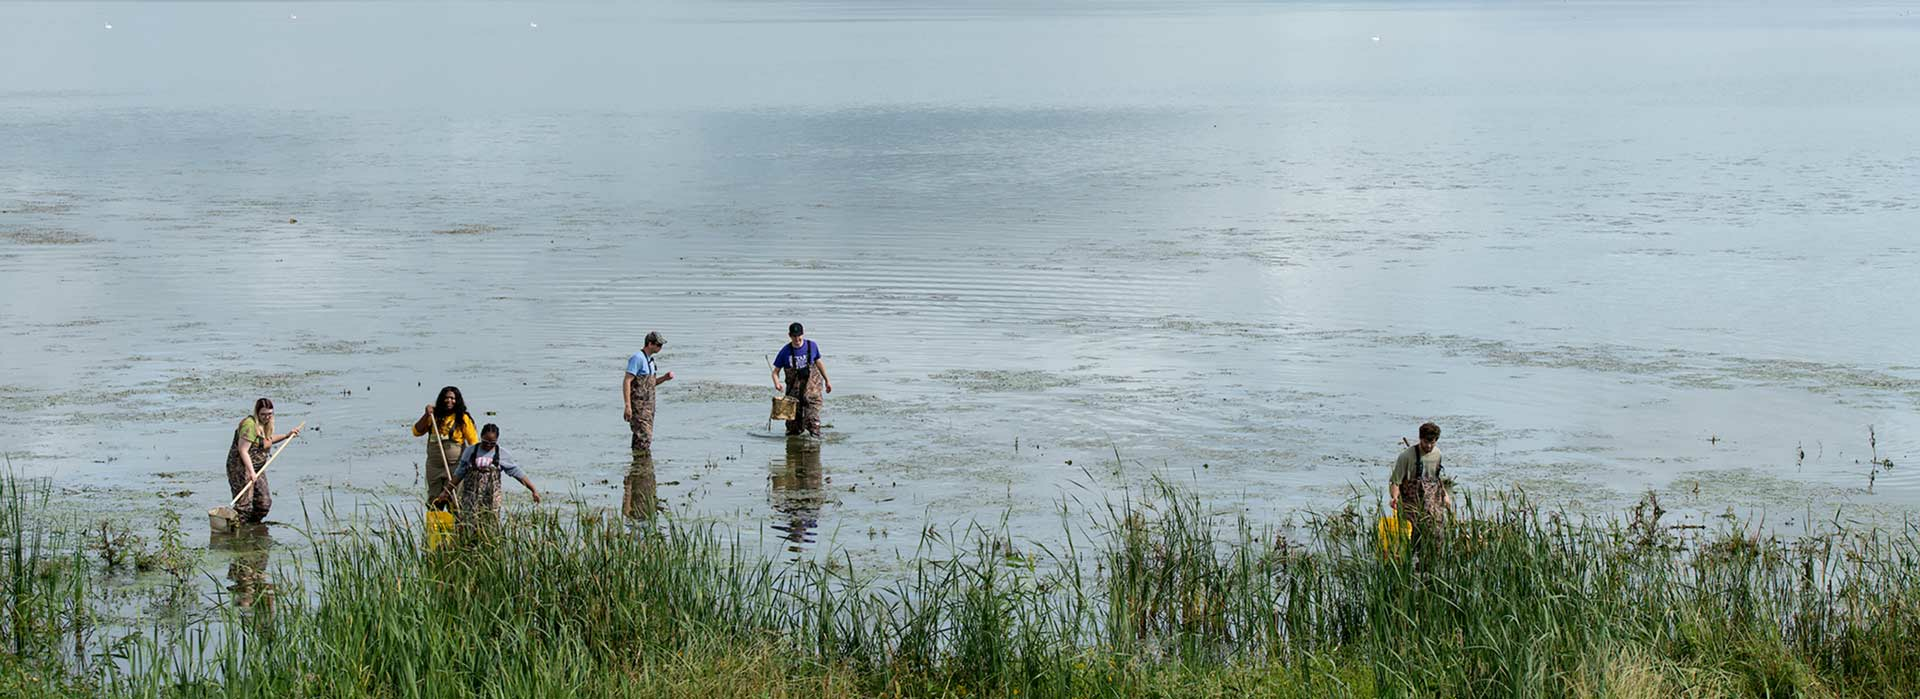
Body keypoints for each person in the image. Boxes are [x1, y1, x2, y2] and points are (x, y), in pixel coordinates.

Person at [436, 423, 541, 528]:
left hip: (491, 497)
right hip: (470, 496)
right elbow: (459, 473)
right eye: (485, 442)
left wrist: (533, 490)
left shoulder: (501, 454)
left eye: (492, 443)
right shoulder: (471, 451)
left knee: (490, 524)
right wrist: (447, 491)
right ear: (481, 437)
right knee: (469, 524)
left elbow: (517, 473)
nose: (488, 445)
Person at [224, 398, 301, 524]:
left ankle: (252, 527)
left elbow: (266, 441)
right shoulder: (249, 425)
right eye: (263, 414)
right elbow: (243, 450)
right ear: (257, 413)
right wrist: (251, 473)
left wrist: (287, 435)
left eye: (269, 414)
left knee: (263, 503)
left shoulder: (266, 425)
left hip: (257, 468)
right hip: (241, 467)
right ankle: (235, 531)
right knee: (244, 506)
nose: (266, 417)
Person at [411, 386, 479, 506]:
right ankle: (436, 522)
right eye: (446, 398)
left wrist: (473, 463)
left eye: (453, 398)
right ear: (441, 399)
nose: (449, 401)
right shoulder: (433, 416)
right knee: (434, 499)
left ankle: (457, 523)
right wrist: (426, 415)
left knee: (455, 499)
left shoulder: (463, 418)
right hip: (434, 466)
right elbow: (416, 432)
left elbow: (473, 442)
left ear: (457, 400)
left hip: (455, 466)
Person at [771, 322, 832, 437]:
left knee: (813, 422)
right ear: (789, 335)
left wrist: (827, 381)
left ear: (802, 334)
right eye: (794, 336)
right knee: (793, 427)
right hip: (794, 393)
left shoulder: (812, 346)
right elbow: (775, 372)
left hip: (812, 391)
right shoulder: (785, 351)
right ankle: (793, 451)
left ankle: (814, 445)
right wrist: (777, 383)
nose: (797, 339)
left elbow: (819, 363)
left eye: (799, 335)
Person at [1388, 422, 1453, 524]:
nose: (1429, 446)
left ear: (1436, 440)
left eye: (1432, 443)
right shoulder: (1406, 456)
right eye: (1426, 442)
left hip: (1433, 505)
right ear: (1420, 438)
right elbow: (1395, 482)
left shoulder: (1438, 454)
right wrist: (1395, 497)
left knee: (1437, 534)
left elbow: (1436, 479)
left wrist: (1445, 496)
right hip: (1410, 507)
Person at [623, 331, 676, 452]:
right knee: (643, 437)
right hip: (639, 407)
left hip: (649, 408)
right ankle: (641, 465)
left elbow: (649, 384)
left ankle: (640, 467)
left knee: (644, 438)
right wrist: (628, 406)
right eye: (659, 345)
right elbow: (627, 381)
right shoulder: (637, 358)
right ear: (650, 344)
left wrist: (664, 378)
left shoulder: (650, 361)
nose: (660, 348)